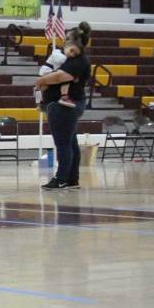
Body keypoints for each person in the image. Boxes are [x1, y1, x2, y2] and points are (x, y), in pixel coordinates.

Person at [35, 22, 92, 190]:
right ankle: (72, 179)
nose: (65, 42)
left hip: (64, 107)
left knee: (63, 144)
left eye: (68, 39)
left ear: (76, 42)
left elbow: (59, 77)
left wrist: (41, 80)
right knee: (70, 142)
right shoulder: (71, 59)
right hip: (62, 106)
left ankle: (61, 179)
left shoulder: (78, 61)